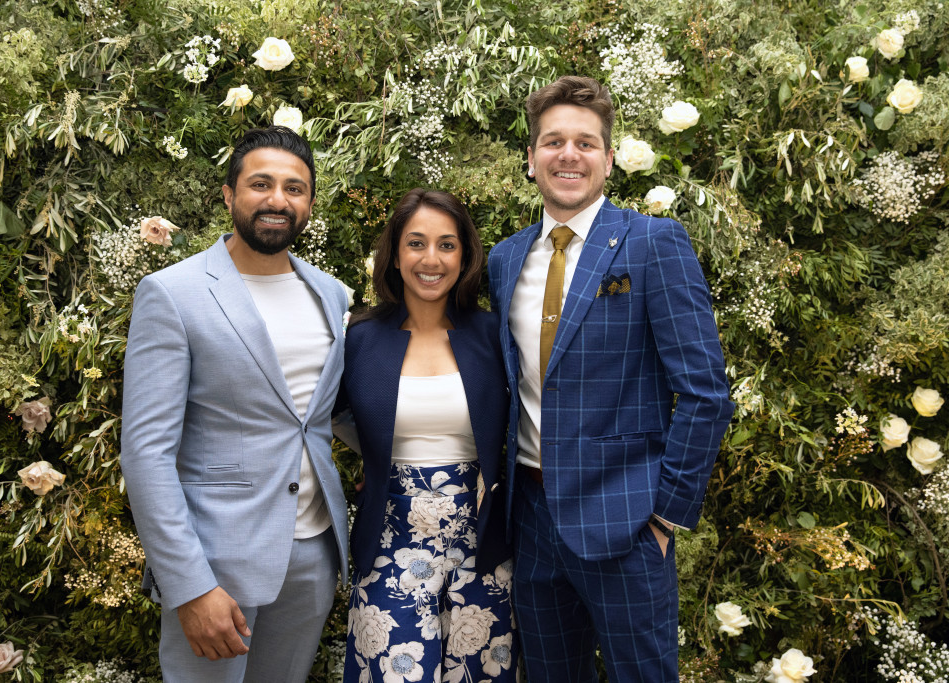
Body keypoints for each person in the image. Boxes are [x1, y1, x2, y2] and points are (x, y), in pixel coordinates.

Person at [487, 76, 734, 681]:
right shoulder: (504, 258)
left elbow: (704, 391)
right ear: (530, 158)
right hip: (532, 521)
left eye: (585, 143)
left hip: (627, 523)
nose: (568, 155)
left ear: (609, 158)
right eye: (553, 142)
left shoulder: (654, 244)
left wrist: (665, 516)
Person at [120, 126, 349, 682]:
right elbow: (146, 452)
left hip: (314, 550)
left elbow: (329, 414)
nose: (278, 200)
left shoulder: (331, 293)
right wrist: (190, 584)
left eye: (295, 188)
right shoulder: (173, 293)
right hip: (216, 560)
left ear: (310, 203)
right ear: (229, 195)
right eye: (261, 184)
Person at [335, 189, 517, 682]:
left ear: (465, 255)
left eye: (447, 245)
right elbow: (327, 417)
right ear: (395, 254)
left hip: (480, 543)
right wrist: (374, 464)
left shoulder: (492, 334)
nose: (431, 259)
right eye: (416, 243)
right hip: (391, 540)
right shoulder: (359, 338)